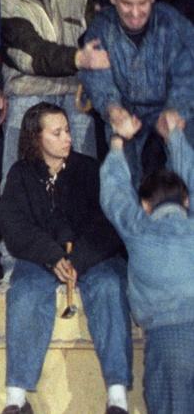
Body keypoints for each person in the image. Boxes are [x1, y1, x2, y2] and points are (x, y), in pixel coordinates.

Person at [0, 102, 131, 414]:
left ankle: (117, 396)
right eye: (57, 133)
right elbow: (12, 224)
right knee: (25, 293)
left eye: (67, 130)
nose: (67, 138)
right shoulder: (21, 174)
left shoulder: (88, 169)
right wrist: (51, 255)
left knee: (110, 286)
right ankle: (16, 398)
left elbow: (109, 221)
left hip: (90, 256)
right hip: (42, 258)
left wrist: (78, 260)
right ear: (36, 138)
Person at [100, 111, 194, 414]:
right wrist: (175, 138)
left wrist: (118, 142)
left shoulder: (139, 228)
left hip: (168, 343)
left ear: (145, 205)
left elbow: (114, 193)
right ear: (186, 201)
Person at [0, 0, 102, 172]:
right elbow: (34, 54)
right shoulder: (3, 0)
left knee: (84, 174)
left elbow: (103, 4)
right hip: (29, 92)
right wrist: (80, 59)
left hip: (74, 91)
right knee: (18, 175)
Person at [79, 0, 194, 183]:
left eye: (142, 3)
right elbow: (96, 77)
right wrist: (113, 110)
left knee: (185, 165)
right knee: (122, 166)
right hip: (125, 108)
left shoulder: (171, 22)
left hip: (168, 104)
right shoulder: (102, 27)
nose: (135, 13)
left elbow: (187, 69)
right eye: (126, 3)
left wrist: (176, 108)